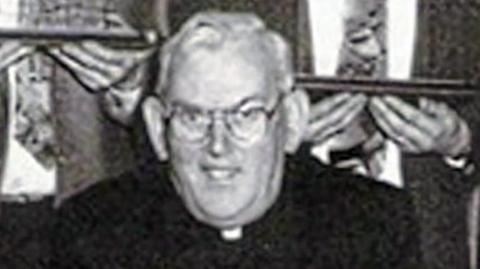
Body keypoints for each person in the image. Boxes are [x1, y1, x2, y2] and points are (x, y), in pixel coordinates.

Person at [52, 12, 420, 268]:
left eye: (245, 115)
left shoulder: (371, 227)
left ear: (291, 121)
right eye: (192, 117)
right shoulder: (95, 231)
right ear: (156, 127)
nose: (217, 145)